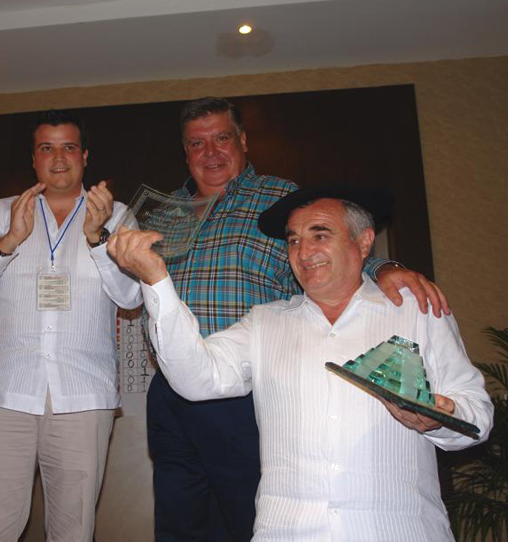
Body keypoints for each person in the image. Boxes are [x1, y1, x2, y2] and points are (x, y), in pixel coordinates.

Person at [108, 184, 493, 541]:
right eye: (294, 240)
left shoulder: (417, 311)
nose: (304, 252)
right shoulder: (264, 322)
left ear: (364, 241)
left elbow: (476, 417)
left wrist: (439, 418)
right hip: (288, 531)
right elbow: (194, 378)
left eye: (320, 235)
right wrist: (157, 280)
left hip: (398, 528)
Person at [144, 96, 451, 541]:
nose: (209, 152)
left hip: (242, 385)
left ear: (244, 141)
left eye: (221, 138)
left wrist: (385, 267)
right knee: (179, 523)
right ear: (185, 151)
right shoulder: (166, 210)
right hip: (170, 386)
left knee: (247, 516)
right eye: (196, 143)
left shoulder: (279, 196)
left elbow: (328, 253)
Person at [0, 110, 142, 542]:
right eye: (46, 148)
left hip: (84, 394)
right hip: (8, 394)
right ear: (34, 159)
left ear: (85, 156)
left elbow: (132, 297)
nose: (58, 158)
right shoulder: (3, 212)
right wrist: (9, 241)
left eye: (69, 147)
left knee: (73, 530)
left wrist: (98, 239)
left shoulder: (117, 214)